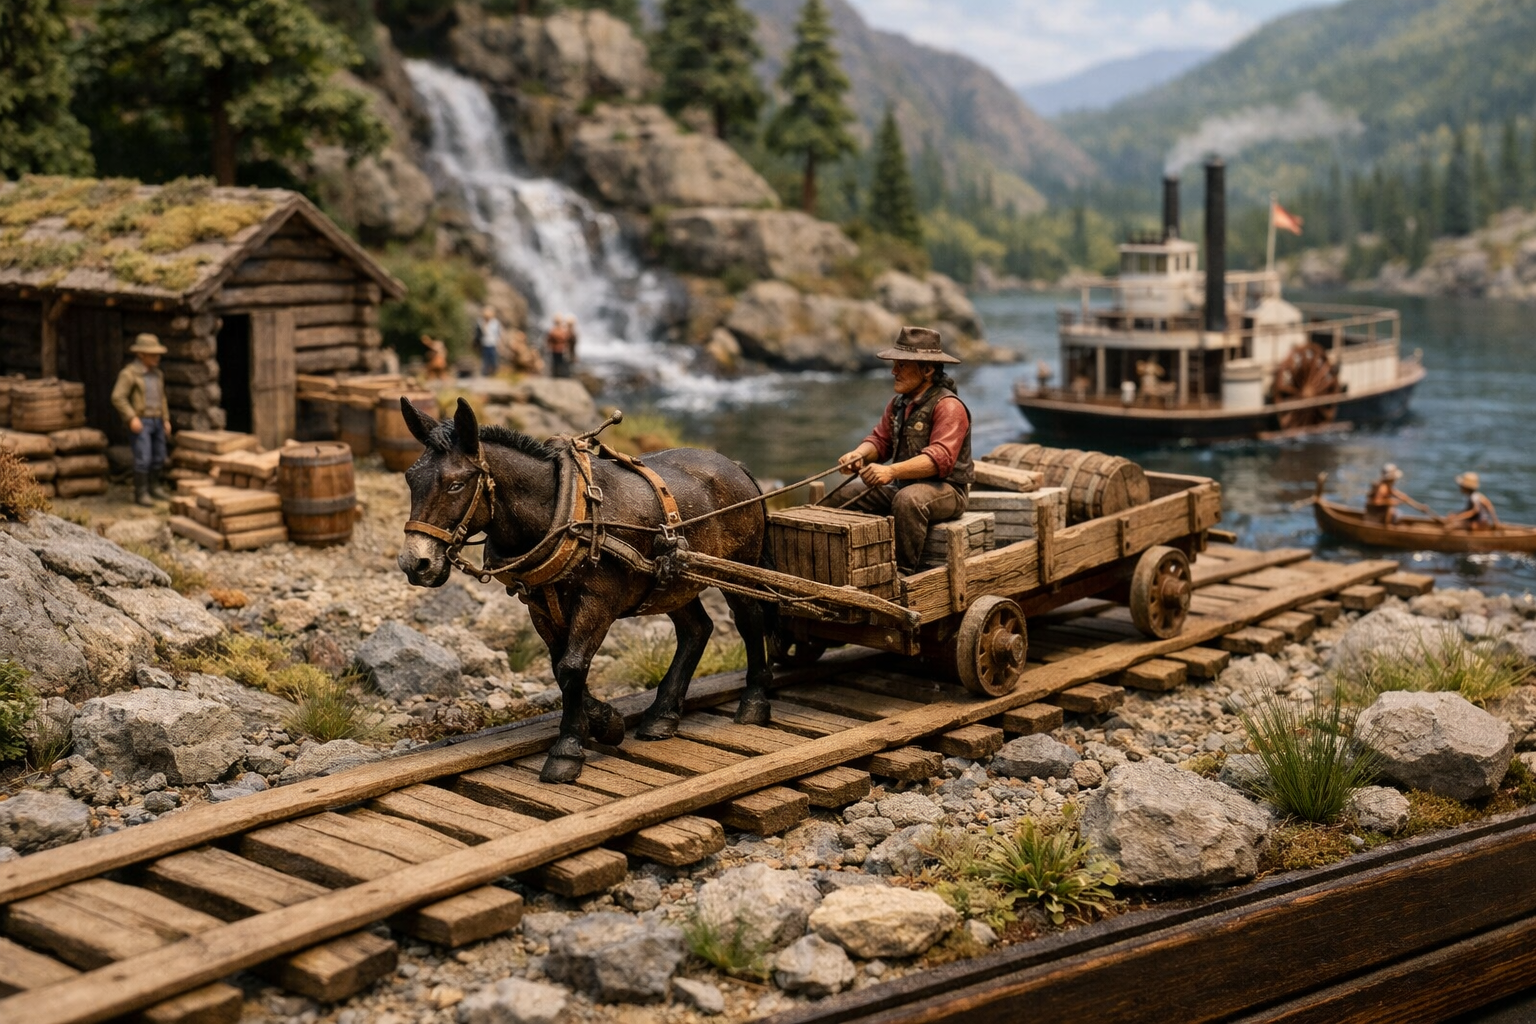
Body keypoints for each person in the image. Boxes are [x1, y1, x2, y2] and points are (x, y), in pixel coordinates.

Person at [836, 326, 972, 573]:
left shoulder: (949, 406)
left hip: (948, 491)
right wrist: (858, 455)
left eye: (901, 365)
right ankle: (843, 566)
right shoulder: (899, 403)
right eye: (895, 364)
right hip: (903, 486)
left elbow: (940, 459)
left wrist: (891, 472)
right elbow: (881, 441)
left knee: (909, 500)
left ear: (928, 370)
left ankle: (902, 573)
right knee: (841, 497)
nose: (893, 371)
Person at [111, 333, 172, 507]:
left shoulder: (157, 375)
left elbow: (162, 398)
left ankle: (154, 486)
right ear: (141, 355)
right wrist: (131, 417)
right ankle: (141, 492)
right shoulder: (130, 374)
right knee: (143, 458)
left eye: (157, 354)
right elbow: (118, 397)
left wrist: (165, 419)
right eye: (152, 354)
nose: (157, 358)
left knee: (159, 455)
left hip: (157, 420)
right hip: (142, 421)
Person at [1364, 463, 1435, 524]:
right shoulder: (1383, 488)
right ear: (1391, 478)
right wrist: (1389, 502)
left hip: (1377, 516)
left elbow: (1404, 498)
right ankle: (1389, 529)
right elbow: (1376, 501)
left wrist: (1419, 507)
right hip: (1374, 517)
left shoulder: (1388, 487)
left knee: (1398, 514)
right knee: (1397, 513)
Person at [545, 313, 578, 379]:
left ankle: (562, 376)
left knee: (562, 365)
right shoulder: (557, 331)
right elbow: (549, 340)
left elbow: (570, 342)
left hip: (562, 351)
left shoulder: (563, 332)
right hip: (559, 350)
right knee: (558, 364)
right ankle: (558, 376)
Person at [474, 305, 503, 376]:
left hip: (492, 343)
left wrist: (500, 342)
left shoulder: (495, 322)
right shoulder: (481, 322)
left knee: (493, 358)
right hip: (484, 343)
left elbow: (498, 333)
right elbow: (479, 333)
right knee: (485, 359)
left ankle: (493, 371)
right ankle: (485, 372)